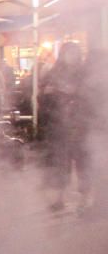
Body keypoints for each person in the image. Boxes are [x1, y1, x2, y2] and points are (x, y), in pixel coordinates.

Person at [38, 42, 89, 211]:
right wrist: (47, 93)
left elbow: (89, 95)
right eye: (68, 53)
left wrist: (70, 92)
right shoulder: (54, 72)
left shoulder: (83, 73)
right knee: (60, 163)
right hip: (58, 125)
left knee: (82, 163)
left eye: (74, 53)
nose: (71, 57)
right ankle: (59, 198)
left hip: (80, 125)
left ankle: (84, 199)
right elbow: (42, 96)